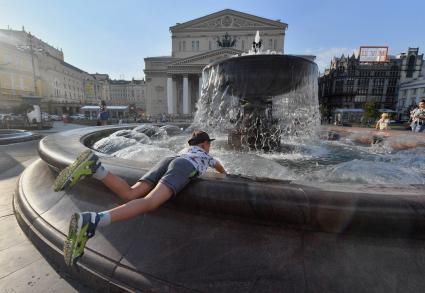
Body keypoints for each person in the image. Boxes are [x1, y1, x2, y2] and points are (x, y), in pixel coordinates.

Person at [53, 130, 226, 265]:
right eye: (208, 144)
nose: (209, 147)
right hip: (184, 166)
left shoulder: (185, 149)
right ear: (204, 144)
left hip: (169, 159)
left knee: (131, 193)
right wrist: (227, 175)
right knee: (150, 202)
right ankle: (93, 221)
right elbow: (219, 167)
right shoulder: (205, 155)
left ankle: (96, 168)